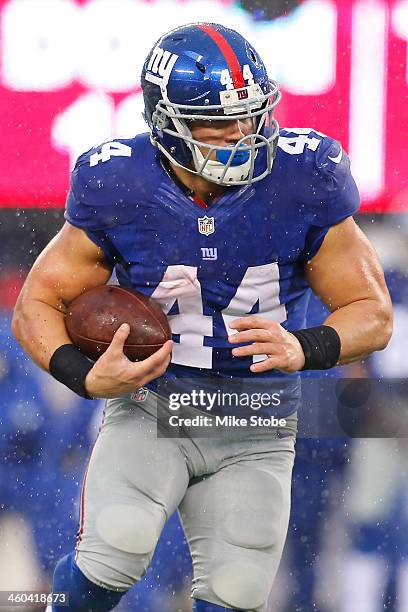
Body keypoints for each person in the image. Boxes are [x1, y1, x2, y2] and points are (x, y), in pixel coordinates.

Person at [12, 22, 392, 612]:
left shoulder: (304, 175)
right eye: (218, 121)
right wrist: (80, 374)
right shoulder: (117, 180)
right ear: (165, 122)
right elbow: (37, 303)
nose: (242, 134)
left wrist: (306, 345)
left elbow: (372, 313)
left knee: (238, 590)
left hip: (256, 413)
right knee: (116, 547)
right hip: (155, 402)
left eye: (251, 114)